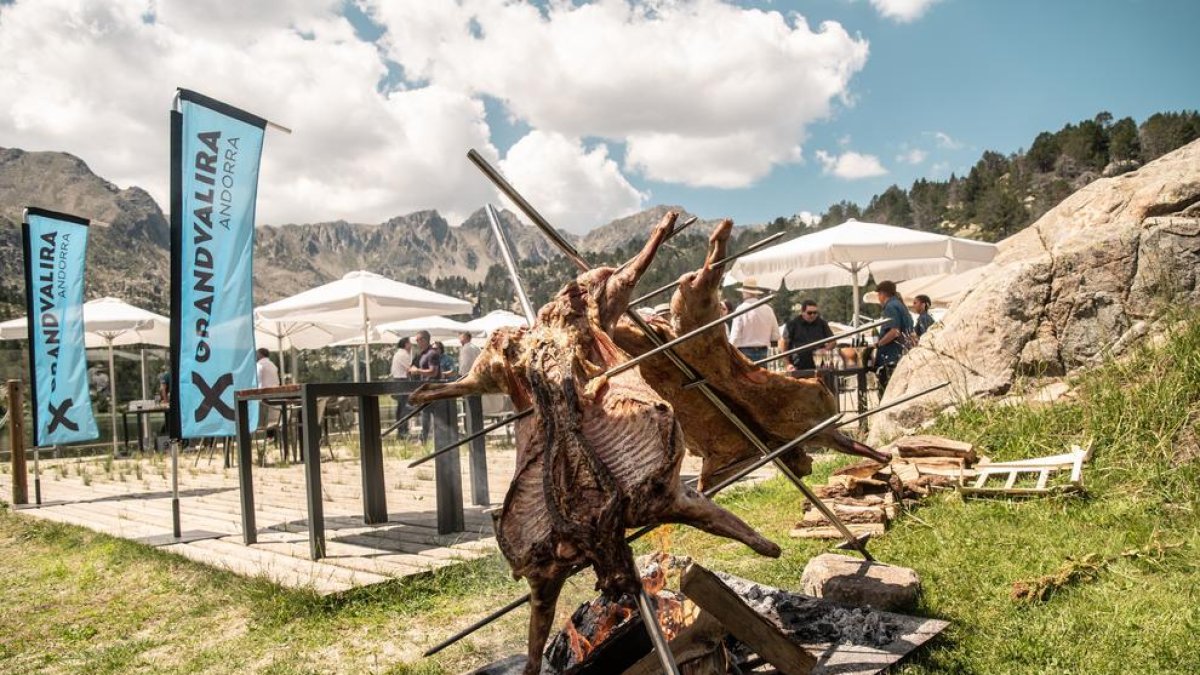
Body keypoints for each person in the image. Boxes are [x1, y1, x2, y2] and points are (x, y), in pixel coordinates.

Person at [874, 280, 914, 393]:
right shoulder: (901, 305)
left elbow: (894, 331)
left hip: (891, 357)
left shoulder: (890, 307)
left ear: (882, 294)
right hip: (902, 354)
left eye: (878, 295)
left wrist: (879, 344)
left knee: (887, 392)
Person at [728, 278, 779, 362]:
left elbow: (735, 337)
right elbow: (775, 335)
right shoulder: (768, 309)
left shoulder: (741, 309)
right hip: (764, 352)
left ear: (744, 293)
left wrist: (730, 352)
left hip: (744, 352)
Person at [780, 300, 834, 371]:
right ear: (802, 312)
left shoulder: (822, 323)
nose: (812, 315)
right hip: (798, 366)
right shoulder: (792, 324)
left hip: (819, 365)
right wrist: (787, 364)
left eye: (815, 313)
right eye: (809, 313)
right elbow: (784, 343)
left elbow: (833, 341)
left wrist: (825, 349)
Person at [408, 331, 439, 442]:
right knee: (425, 414)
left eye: (418, 340)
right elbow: (414, 368)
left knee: (435, 416)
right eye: (416, 340)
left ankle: (435, 440)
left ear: (425, 340)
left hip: (433, 389)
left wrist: (417, 371)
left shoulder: (432, 353)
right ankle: (424, 439)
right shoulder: (421, 355)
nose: (417, 342)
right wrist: (412, 370)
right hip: (425, 389)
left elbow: (433, 372)